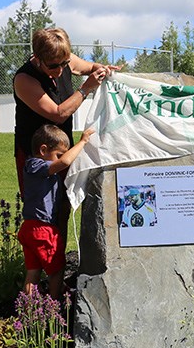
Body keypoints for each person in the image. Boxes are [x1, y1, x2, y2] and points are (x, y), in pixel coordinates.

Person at [13, 28, 117, 274]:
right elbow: (58, 113)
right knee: (41, 215)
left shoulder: (64, 60)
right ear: (37, 58)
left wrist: (104, 70)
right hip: (35, 155)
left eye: (64, 63)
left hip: (62, 149)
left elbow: (89, 66)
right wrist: (85, 89)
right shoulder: (24, 79)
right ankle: (38, 272)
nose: (60, 70)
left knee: (63, 206)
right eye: (53, 66)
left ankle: (55, 268)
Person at [18, 124, 95, 298]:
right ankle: (55, 302)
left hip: (30, 229)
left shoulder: (36, 167)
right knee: (57, 270)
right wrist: (83, 141)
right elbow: (66, 162)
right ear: (43, 149)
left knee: (33, 273)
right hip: (43, 230)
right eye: (58, 154)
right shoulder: (34, 164)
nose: (61, 158)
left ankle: (28, 308)